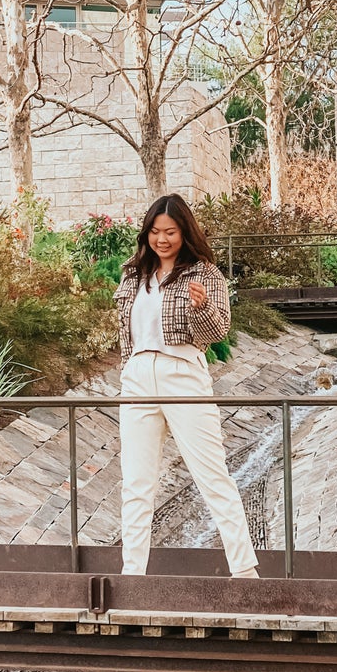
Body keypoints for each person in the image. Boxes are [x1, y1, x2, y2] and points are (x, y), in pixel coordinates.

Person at [114, 194, 259, 578]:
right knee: (136, 483)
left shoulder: (205, 274)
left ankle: (245, 573)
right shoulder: (133, 273)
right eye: (154, 232)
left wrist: (202, 308)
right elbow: (126, 333)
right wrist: (129, 370)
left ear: (184, 232)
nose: (161, 239)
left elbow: (216, 333)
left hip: (183, 373)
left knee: (212, 475)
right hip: (137, 376)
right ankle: (132, 577)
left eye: (170, 232)